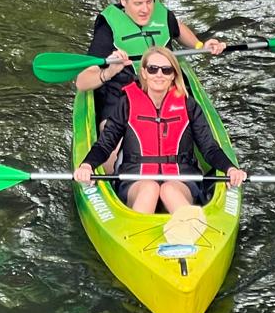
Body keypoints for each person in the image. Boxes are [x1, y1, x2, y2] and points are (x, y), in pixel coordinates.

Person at [74, 46, 247, 213]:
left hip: (181, 177)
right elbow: (106, 144)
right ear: (143, 73)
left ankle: (191, 232)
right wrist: (87, 165)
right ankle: (139, 235)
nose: (159, 74)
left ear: (173, 75)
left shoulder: (188, 105)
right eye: (152, 69)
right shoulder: (127, 103)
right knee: (150, 188)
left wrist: (230, 169)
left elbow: (209, 147)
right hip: (136, 177)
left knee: (168, 190)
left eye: (166, 70)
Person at [74, 0, 226, 115]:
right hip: (124, 94)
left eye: (149, 1)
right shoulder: (108, 28)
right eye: (138, 3)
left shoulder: (162, 15)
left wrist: (200, 46)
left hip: (164, 85)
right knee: (113, 128)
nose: (145, 9)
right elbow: (82, 82)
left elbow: (177, 27)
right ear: (123, 1)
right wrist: (109, 72)